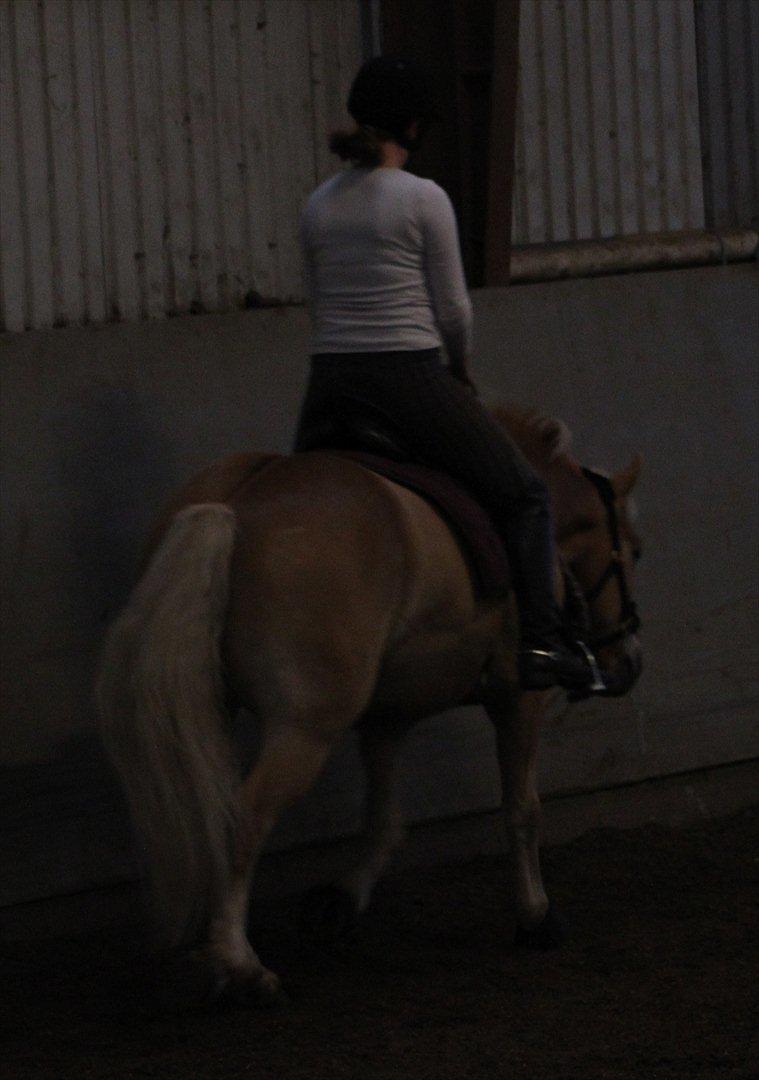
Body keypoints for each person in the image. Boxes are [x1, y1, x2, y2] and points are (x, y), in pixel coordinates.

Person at [295, 55, 600, 693]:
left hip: (328, 386)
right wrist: (459, 370)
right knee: (524, 495)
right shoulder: (423, 198)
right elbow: (454, 310)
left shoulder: (317, 205)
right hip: (405, 379)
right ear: (413, 126)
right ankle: (543, 645)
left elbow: (319, 306)